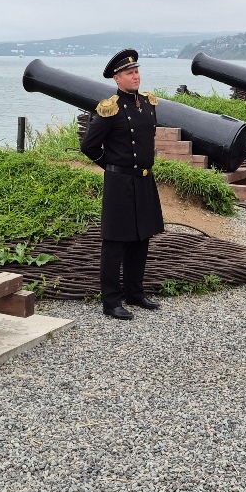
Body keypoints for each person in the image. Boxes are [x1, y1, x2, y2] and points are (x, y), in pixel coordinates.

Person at [80, 49, 165, 320]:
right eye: (129, 73)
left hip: (144, 179)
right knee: (115, 243)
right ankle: (111, 301)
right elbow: (88, 146)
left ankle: (135, 293)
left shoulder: (149, 104)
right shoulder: (110, 109)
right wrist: (112, 166)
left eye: (137, 71)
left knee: (142, 238)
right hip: (119, 183)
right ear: (117, 79)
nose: (135, 76)